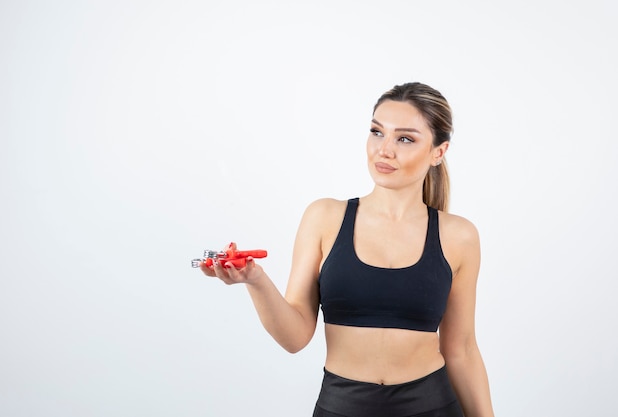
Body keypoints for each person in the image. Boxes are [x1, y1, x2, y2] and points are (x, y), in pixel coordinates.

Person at [199, 82, 495, 417]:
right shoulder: (324, 218)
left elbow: (462, 350)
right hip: (341, 407)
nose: (384, 149)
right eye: (376, 132)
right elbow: (294, 337)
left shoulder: (459, 236)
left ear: (438, 152)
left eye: (405, 138)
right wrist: (255, 280)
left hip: (432, 407)